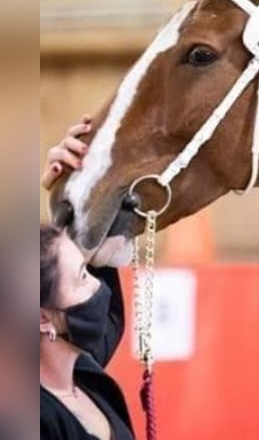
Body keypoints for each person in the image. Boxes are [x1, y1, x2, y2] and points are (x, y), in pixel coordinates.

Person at [40, 117, 135, 439]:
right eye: (83, 277)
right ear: (42, 317)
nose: (98, 285)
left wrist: (77, 186)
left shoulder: (82, 374)